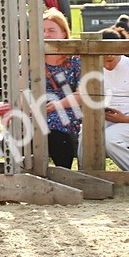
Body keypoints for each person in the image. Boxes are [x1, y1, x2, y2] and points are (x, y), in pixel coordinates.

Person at [89, 29, 129, 172]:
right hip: (107, 117)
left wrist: (125, 119)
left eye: (110, 60)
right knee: (86, 135)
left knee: (110, 140)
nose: (107, 65)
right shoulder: (94, 68)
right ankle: (87, 174)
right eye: (103, 60)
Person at [42, 9, 81, 169]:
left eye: (52, 30)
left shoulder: (75, 60)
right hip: (34, 106)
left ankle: (64, 172)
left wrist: (59, 105)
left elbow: (83, 93)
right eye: (43, 30)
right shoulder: (29, 58)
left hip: (67, 106)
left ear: (64, 33)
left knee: (57, 125)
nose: (46, 34)